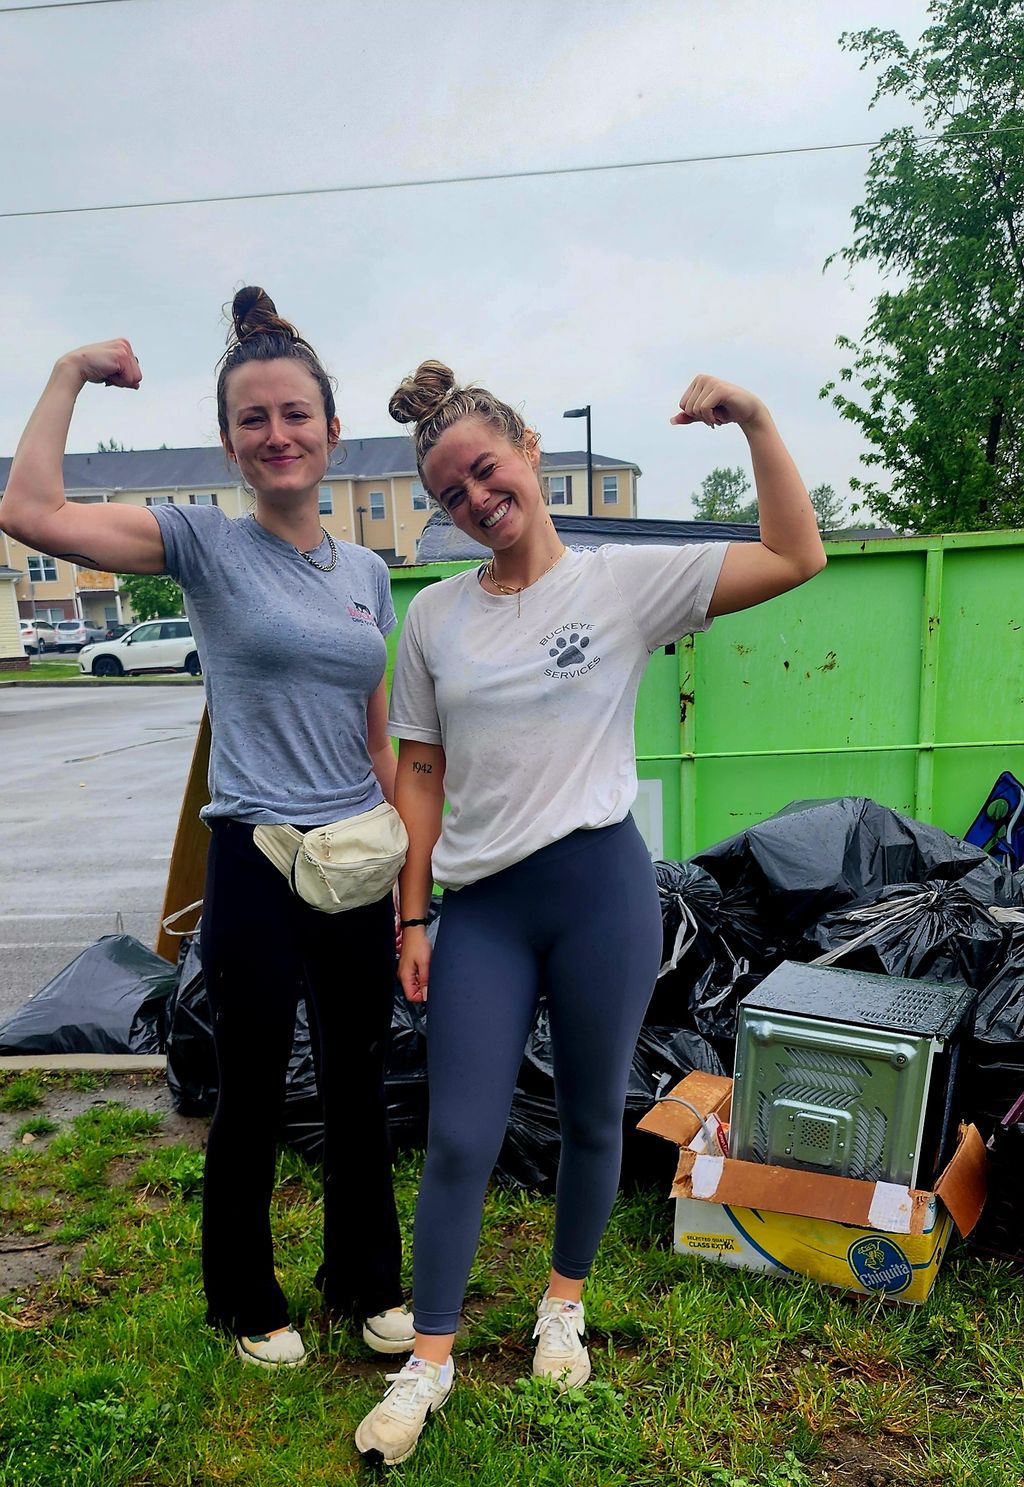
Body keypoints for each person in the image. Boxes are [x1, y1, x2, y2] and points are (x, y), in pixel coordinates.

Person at [354, 364, 826, 1465]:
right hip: (483, 904)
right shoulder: (434, 617)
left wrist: (753, 418)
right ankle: (429, 1356)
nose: (475, 498)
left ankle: (561, 1302)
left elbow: (797, 553)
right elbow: (418, 773)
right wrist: (410, 917)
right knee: (461, 1130)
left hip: (599, 889)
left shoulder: (623, 586)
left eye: (485, 468)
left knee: (588, 1113)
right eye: (451, 492)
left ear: (525, 446)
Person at [0, 289, 415, 1369]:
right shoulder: (202, 544)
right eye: (253, 420)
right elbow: (31, 512)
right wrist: (69, 371)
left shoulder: (367, 572)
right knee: (252, 1085)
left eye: (294, 414)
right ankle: (245, 1298)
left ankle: (368, 1279)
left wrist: (410, 873)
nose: (276, 435)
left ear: (328, 428)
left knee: (360, 1078)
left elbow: (375, 738)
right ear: (231, 443)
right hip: (256, 861)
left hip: (355, 860)